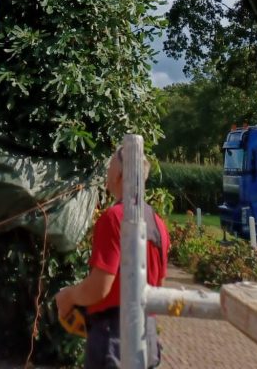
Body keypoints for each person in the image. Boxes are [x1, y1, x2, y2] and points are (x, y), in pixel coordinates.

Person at [55, 145, 170, 369]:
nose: (106, 173)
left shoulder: (114, 218)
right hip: (146, 337)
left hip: (114, 339)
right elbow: (159, 288)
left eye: (109, 168)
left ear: (118, 175)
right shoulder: (159, 224)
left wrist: (68, 297)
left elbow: (99, 288)